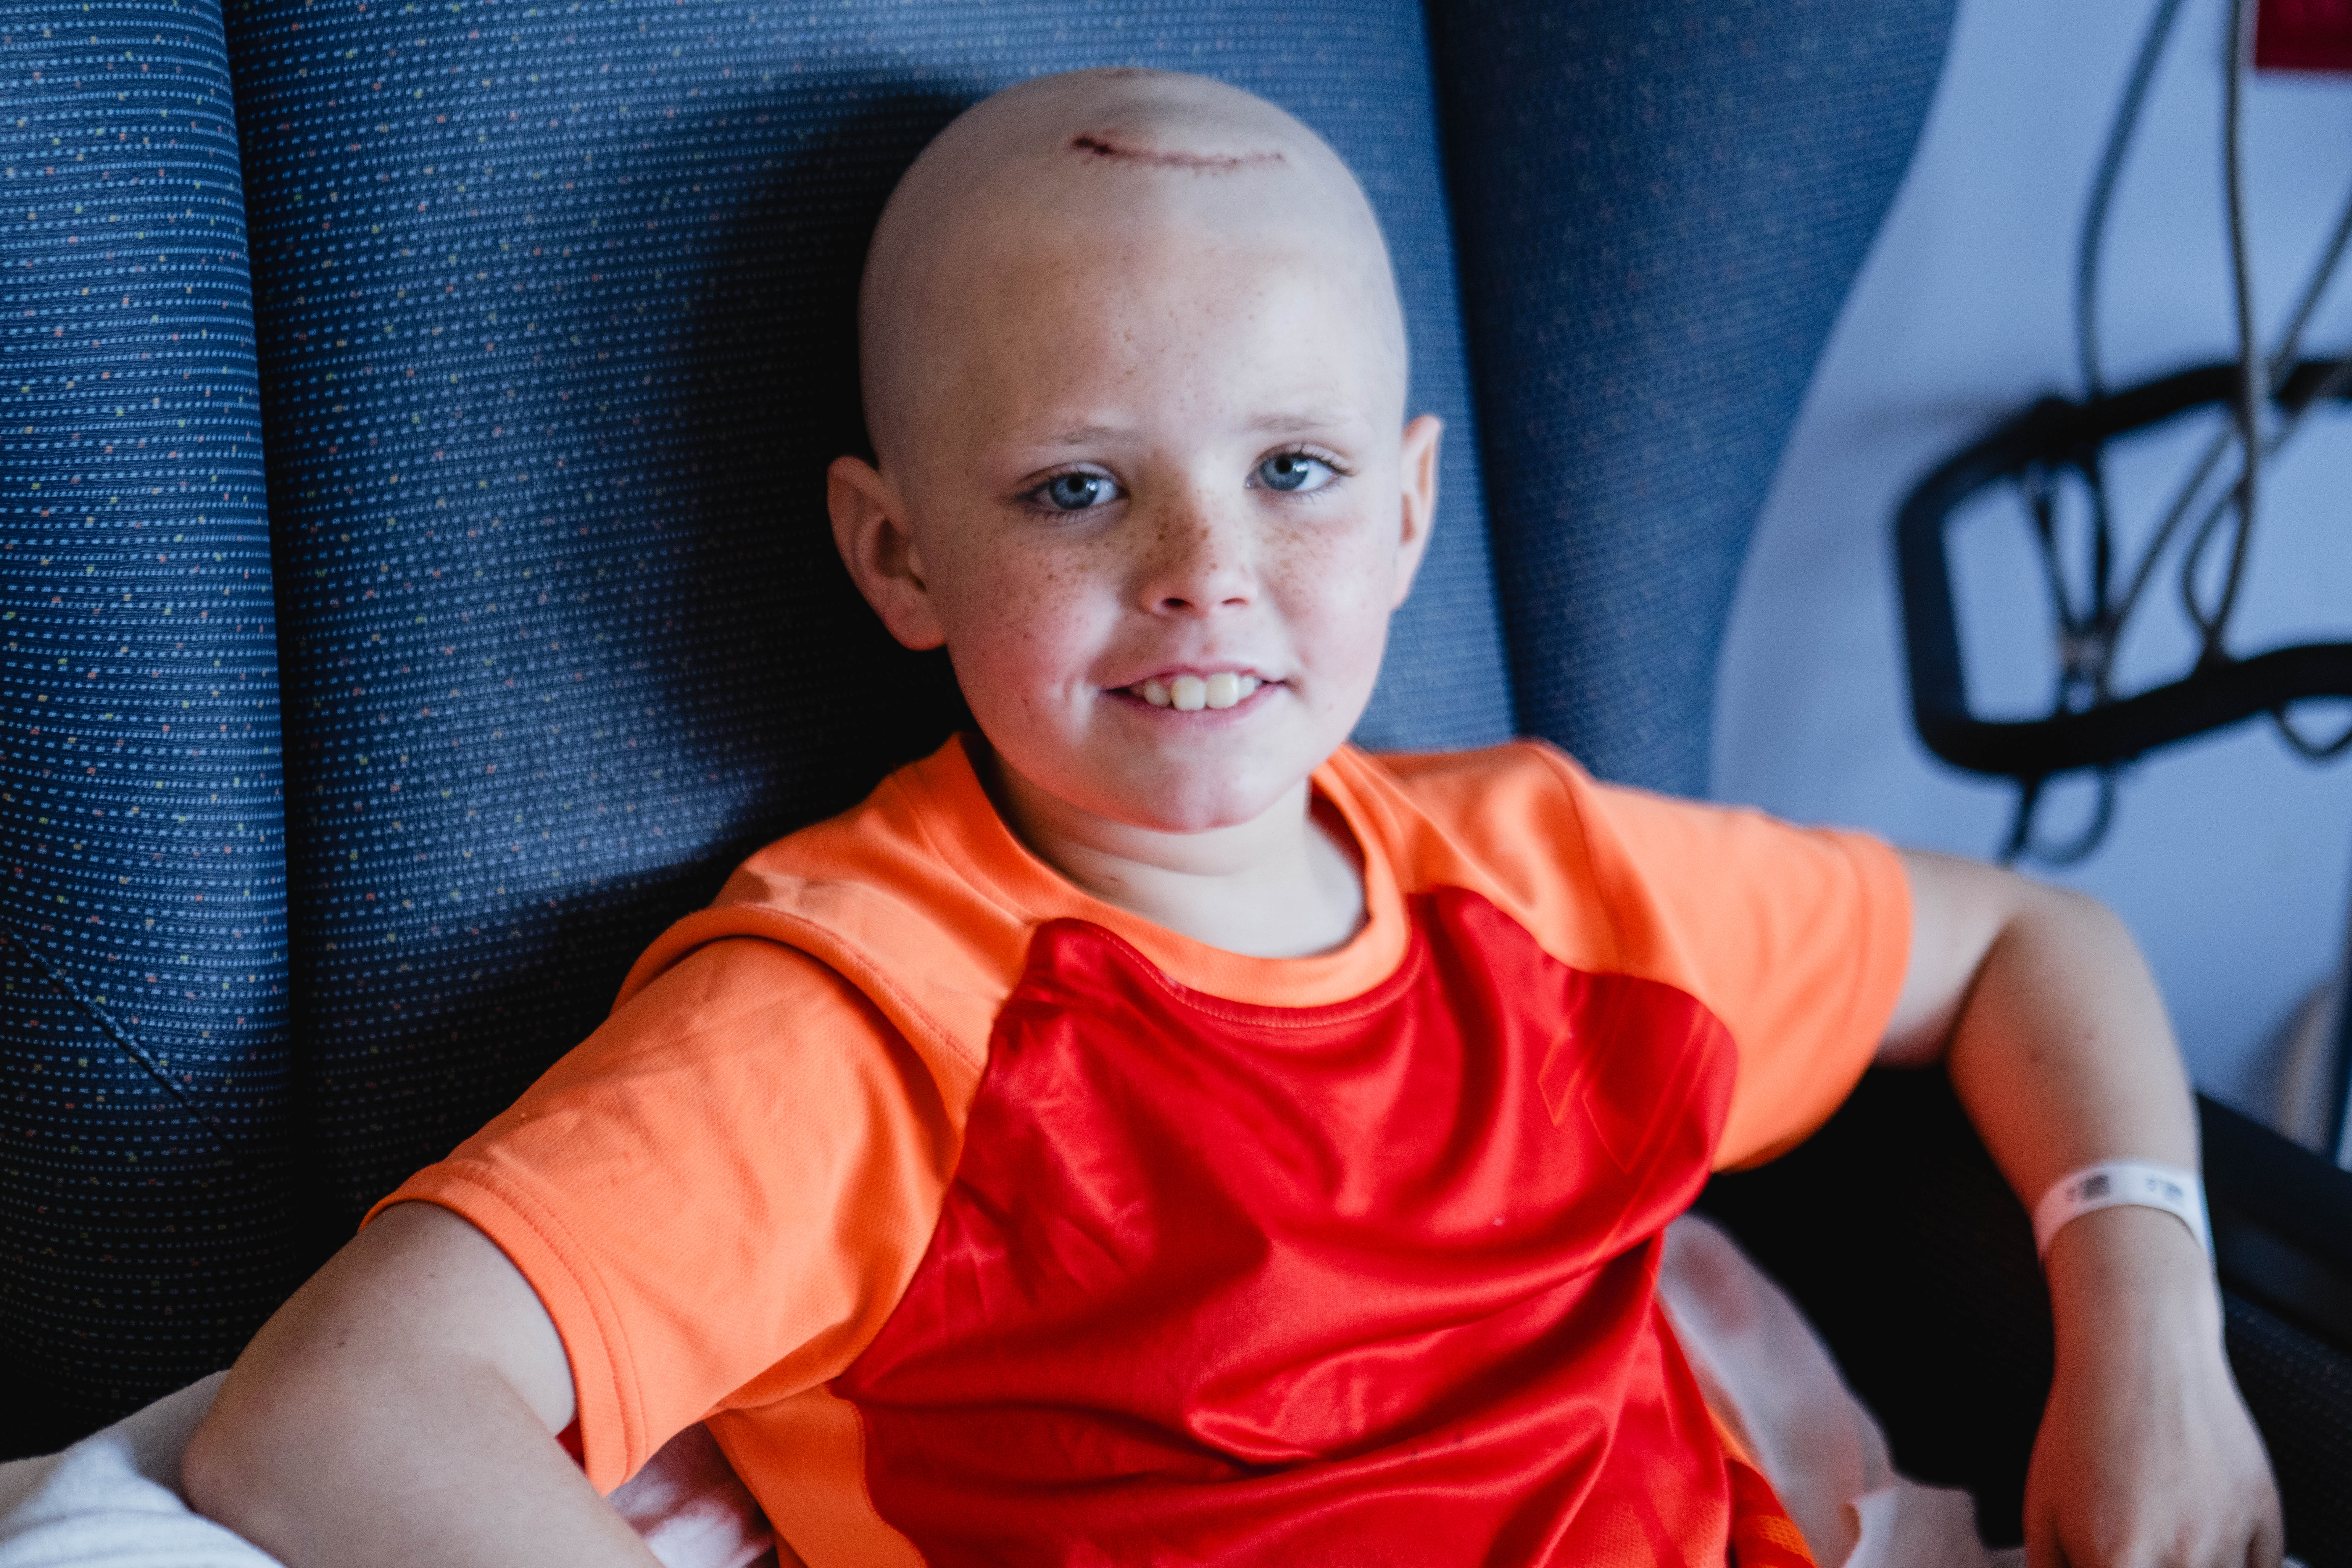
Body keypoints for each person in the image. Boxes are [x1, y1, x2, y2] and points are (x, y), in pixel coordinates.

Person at [182, 67, 2281, 1568]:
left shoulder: (1554, 880)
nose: (1208, 569)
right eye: (1078, 488)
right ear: (898, 558)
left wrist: (2146, 1332)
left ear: (1409, 509)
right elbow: (340, 1412)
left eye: (1291, 471)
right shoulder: (861, 1021)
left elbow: (2029, 942)